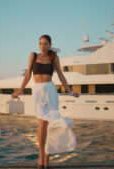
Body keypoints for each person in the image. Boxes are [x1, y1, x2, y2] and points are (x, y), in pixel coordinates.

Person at [12, 35, 79, 169]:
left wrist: (70, 91)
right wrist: (19, 91)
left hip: (50, 91)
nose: (42, 46)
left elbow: (61, 75)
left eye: (45, 44)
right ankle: (41, 155)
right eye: (40, 43)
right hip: (37, 91)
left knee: (52, 123)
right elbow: (27, 75)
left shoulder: (54, 58)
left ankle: (47, 156)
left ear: (49, 45)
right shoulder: (33, 56)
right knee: (42, 123)